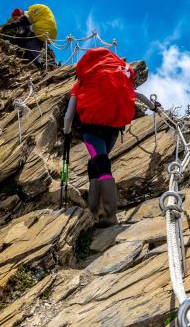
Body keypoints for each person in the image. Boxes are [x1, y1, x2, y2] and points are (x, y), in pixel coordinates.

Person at [62, 49, 156, 227]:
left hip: (91, 131)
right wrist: (154, 107)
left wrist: (66, 132)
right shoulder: (117, 80)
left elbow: (68, 116)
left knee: (101, 163)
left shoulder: (81, 84)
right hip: (112, 130)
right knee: (95, 163)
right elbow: (140, 96)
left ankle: (109, 215)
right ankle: (95, 210)